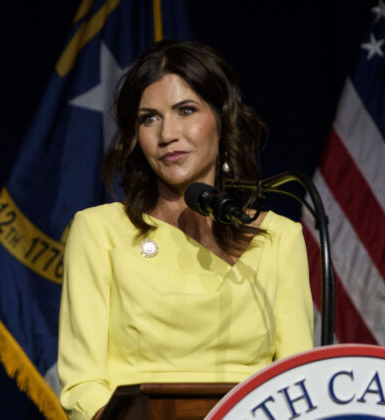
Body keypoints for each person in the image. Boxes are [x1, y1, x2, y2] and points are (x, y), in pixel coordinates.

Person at [57, 40, 313, 420]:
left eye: (186, 110)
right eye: (149, 118)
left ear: (222, 120)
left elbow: (298, 385)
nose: (167, 134)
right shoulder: (99, 231)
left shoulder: (280, 237)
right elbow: (83, 385)